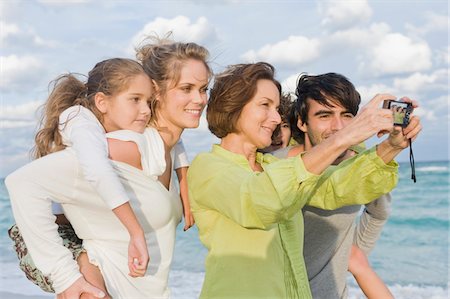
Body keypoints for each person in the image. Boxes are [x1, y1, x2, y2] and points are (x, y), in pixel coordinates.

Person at [187, 62, 421, 298]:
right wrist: (345, 135)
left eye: (277, 108)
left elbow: (337, 186)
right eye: (265, 106)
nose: (276, 118)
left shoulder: (273, 166)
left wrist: (391, 146)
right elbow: (261, 200)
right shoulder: (208, 167)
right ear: (233, 107)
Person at [6, 38, 211, 298]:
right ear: (156, 91)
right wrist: (66, 278)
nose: (200, 99)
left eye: (204, 88)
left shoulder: (166, 149)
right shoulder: (119, 149)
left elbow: (173, 143)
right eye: (187, 88)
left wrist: (183, 176)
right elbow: (24, 183)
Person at [272, 73, 395, 298]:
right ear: (301, 121)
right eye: (325, 115)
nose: (338, 127)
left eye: (347, 115)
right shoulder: (277, 165)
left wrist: (353, 254)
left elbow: (379, 211)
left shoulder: (360, 162)